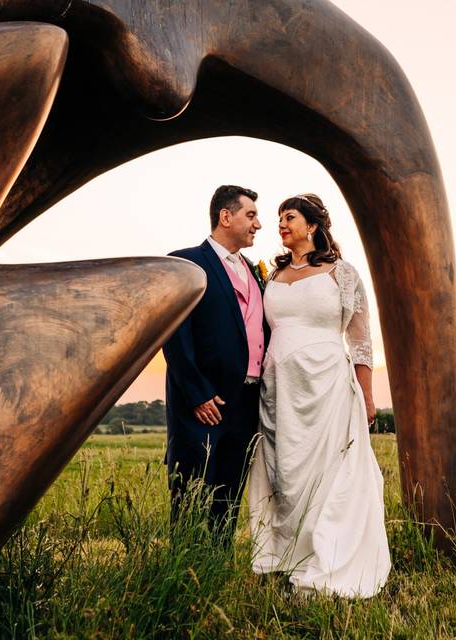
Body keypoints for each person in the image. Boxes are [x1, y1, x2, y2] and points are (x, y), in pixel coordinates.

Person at [248, 193, 391, 597]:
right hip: (279, 389)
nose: (281, 224)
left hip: (326, 385)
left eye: (288, 217)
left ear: (311, 225)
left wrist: (366, 395)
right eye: (278, 218)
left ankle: (326, 558)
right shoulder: (271, 277)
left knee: (326, 472)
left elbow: (361, 341)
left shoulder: (341, 273)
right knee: (284, 474)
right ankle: (285, 555)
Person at [161, 185, 269, 542]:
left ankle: (215, 571)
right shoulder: (186, 262)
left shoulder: (254, 271)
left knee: (228, 500)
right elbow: (175, 336)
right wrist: (197, 394)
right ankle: (183, 572)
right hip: (203, 405)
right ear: (226, 216)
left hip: (246, 402)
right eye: (250, 215)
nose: (258, 224)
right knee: (191, 495)